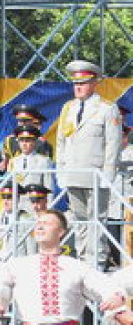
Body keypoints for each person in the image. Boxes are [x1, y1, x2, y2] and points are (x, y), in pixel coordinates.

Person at [54, 59, 122, 264]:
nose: (78, 87)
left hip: (96, 174)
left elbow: (113, 145)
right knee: (79, 221)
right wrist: (61, 172)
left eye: (83, 83)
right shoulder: (68, 108)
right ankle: (83, 259)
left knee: (96, 221)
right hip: (73, 174)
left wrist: (107, 175)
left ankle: (97, 261)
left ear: (94, 83)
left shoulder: (107, 108)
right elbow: (61, 142)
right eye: (75, 83)